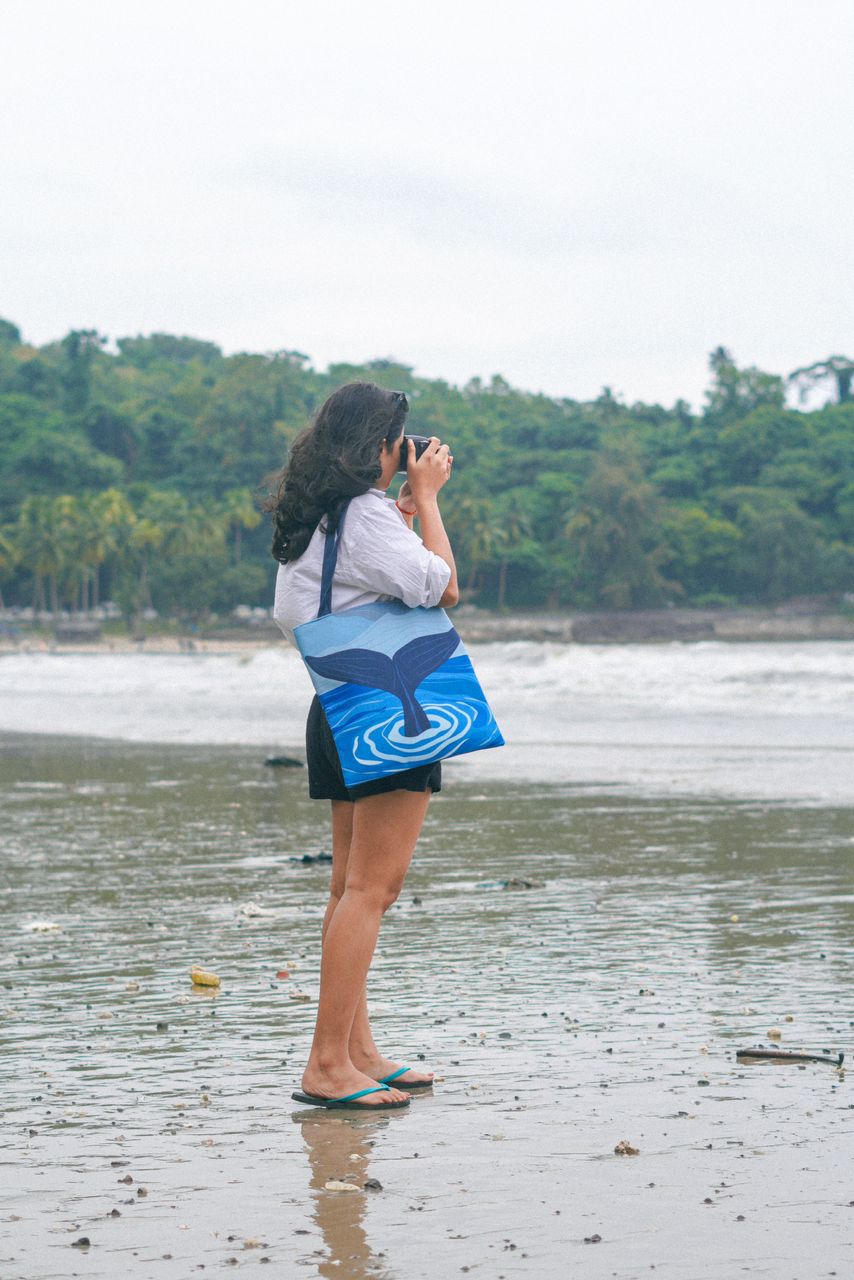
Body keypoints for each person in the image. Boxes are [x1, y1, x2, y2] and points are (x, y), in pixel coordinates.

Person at [267, 382, 458, 1110]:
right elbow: (442, 588)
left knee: (351, 888)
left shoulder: (313, 519)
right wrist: (428, 502)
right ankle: (325, 1063)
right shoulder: (366, 514)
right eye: (397, 446)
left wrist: (398, 517)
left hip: (336, 704)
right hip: (390, 714)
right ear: (380, 449)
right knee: (373, 891)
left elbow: (306, 605)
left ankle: (355, 1050)